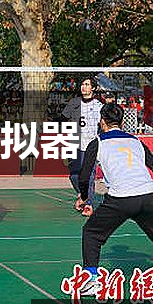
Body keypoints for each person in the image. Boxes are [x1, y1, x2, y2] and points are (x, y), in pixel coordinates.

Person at [77, 103, 153, 295]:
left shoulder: (98, 142)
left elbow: (84, 177)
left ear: (102, 122)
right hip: (147, 196)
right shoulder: (136, 141)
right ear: (121, 122)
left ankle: (92, 281)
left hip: (121, 198)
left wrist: (85, 198)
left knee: (91, 233)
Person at [62, 77, 102, 212]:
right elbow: (64, 119)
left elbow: (102, 126)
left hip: (91, 145)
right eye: (82, 84)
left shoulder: (98, 106)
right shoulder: (74, 103)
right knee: (74, 175)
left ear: (93, 88)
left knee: (89, 176)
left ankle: (88, 203)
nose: (84, 87)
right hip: (75, 143)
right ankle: (82, 193)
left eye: (87, 84)